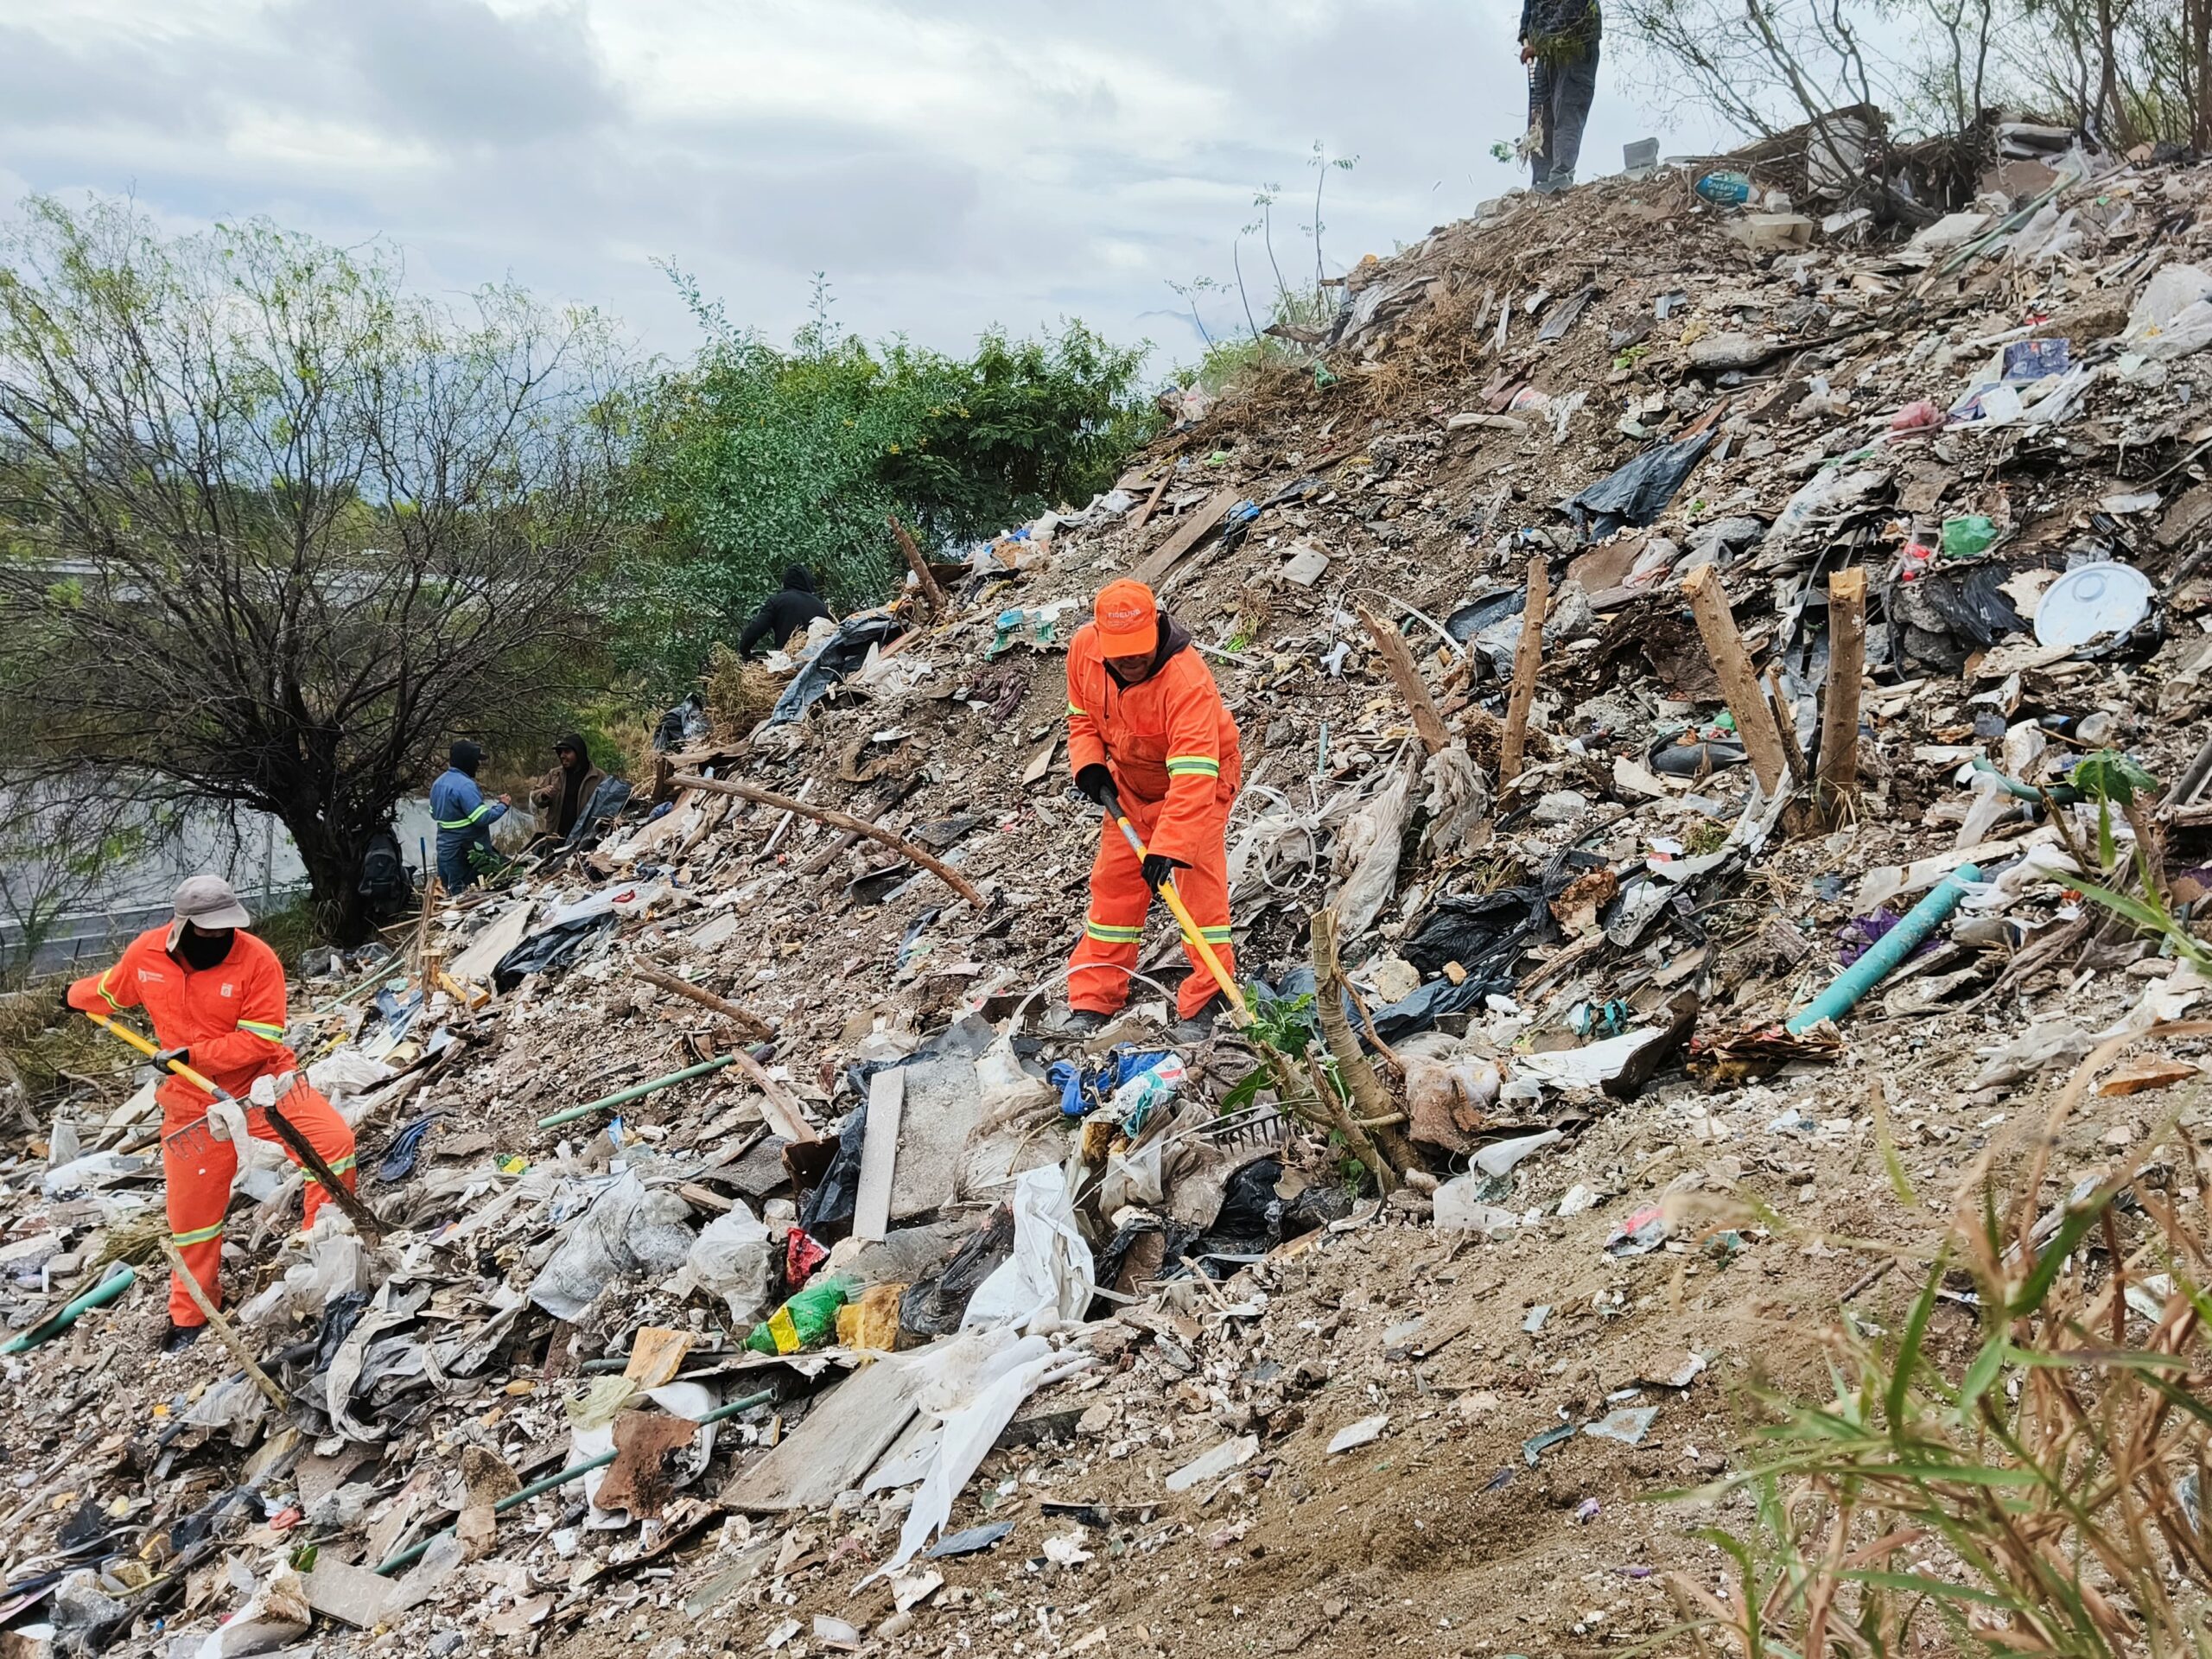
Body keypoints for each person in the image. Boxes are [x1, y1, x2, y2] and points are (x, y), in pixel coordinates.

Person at [62, 875, 358, 1351]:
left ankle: (324, 1251)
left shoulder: (257, 958)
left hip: (264, 1085)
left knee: (333, 1144)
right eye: (209, 930)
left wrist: (191, 1055)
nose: (220, 937)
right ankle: (193, 1312)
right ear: (182, 924)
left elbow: (261, 1039)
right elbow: (111, 992)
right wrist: (72, 996)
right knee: (191, 1213)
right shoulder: (147, 955)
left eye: (227, 929)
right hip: (193, 1103)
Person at [1064, 580, 1241, 1036]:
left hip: (1198, 786)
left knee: (1196, 885)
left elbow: (1195, 774)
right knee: (1114, 888)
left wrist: (1171, 844)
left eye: (1139, 650)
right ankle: (1093, 998)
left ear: (1158, 628)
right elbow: (1081, 717)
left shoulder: (1186, 682)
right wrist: (1088, 766)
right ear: (1101, 642)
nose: (1131, 661)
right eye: (1120, 653)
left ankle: (1211, 995)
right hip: (1126, 787)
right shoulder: (1083, 651)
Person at [1520, 0, 1601, 194]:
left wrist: (1540, 42)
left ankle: (1559, 181)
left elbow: (1574, 6)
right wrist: (1525, 30)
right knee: (1539, 121)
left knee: (1567, 111)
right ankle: (1541, 183)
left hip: (1576, 44)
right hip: (1546, 52)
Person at [429, 740, 509, 892]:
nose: (478, 765)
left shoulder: (438, 783)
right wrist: (502, 805)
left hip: (445, 852)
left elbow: (433, 813)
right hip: (466, 855)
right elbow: (482, 818)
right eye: (476, 761)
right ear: (467, 761)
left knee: (448, 893)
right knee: (464, 895)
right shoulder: (465, 786)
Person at [738, 565, 832, 658]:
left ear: (786, 582)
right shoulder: (821, 606)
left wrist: (744, 650)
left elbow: (756, 628)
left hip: (787, 662)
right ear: (809, 582)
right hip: (815, 662)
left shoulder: (778, 601)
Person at [531, 734, 607, 840]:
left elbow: (607, 806)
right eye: (560, 752)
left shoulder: (598, 777)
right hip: (556, 836)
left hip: (584, 839)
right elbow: (535, 796)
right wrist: (544, 794)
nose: (562, 756)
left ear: (579, 753)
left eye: (567, 752)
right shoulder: (555, 774)